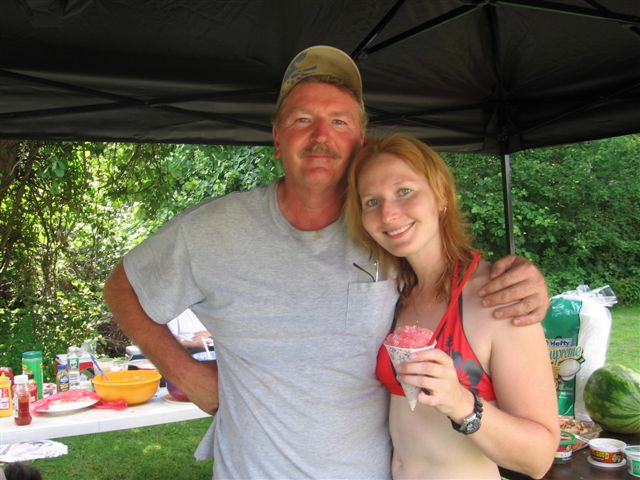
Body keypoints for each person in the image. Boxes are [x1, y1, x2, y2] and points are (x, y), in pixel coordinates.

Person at [103, 45, 550, 479]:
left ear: (359, 141)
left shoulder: (384, 237)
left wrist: (524, 281)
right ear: (277, 139)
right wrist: (185, 373)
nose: (321, 136)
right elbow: (122, 287)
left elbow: (451, 269)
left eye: (339, 121)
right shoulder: (213, 229)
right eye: (302, 120)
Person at [344, 133, 558, 479]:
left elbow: (539, 457)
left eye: (404, 191)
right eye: (372, 201)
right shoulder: (395, 293)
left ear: (441, 195)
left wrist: (460, 403)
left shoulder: (498, 298)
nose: (388, 213)